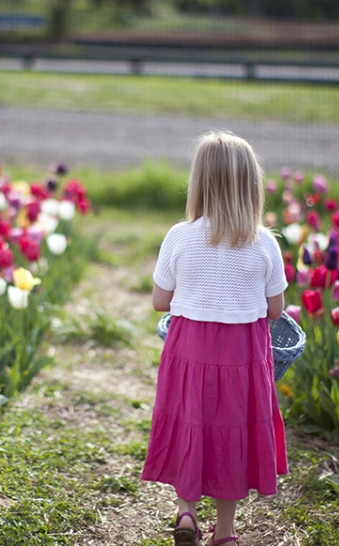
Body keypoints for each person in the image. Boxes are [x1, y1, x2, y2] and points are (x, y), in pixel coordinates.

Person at [141, 131, 288, 546]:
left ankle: (187, 512)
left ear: (199, 183)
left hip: (190, 349)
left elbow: (159, 300)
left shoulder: (180, 236)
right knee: (232, 431)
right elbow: (275, 310)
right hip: (242, 354)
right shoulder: (264, 244)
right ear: (251, 186)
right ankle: (224, 533)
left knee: (191, 422)